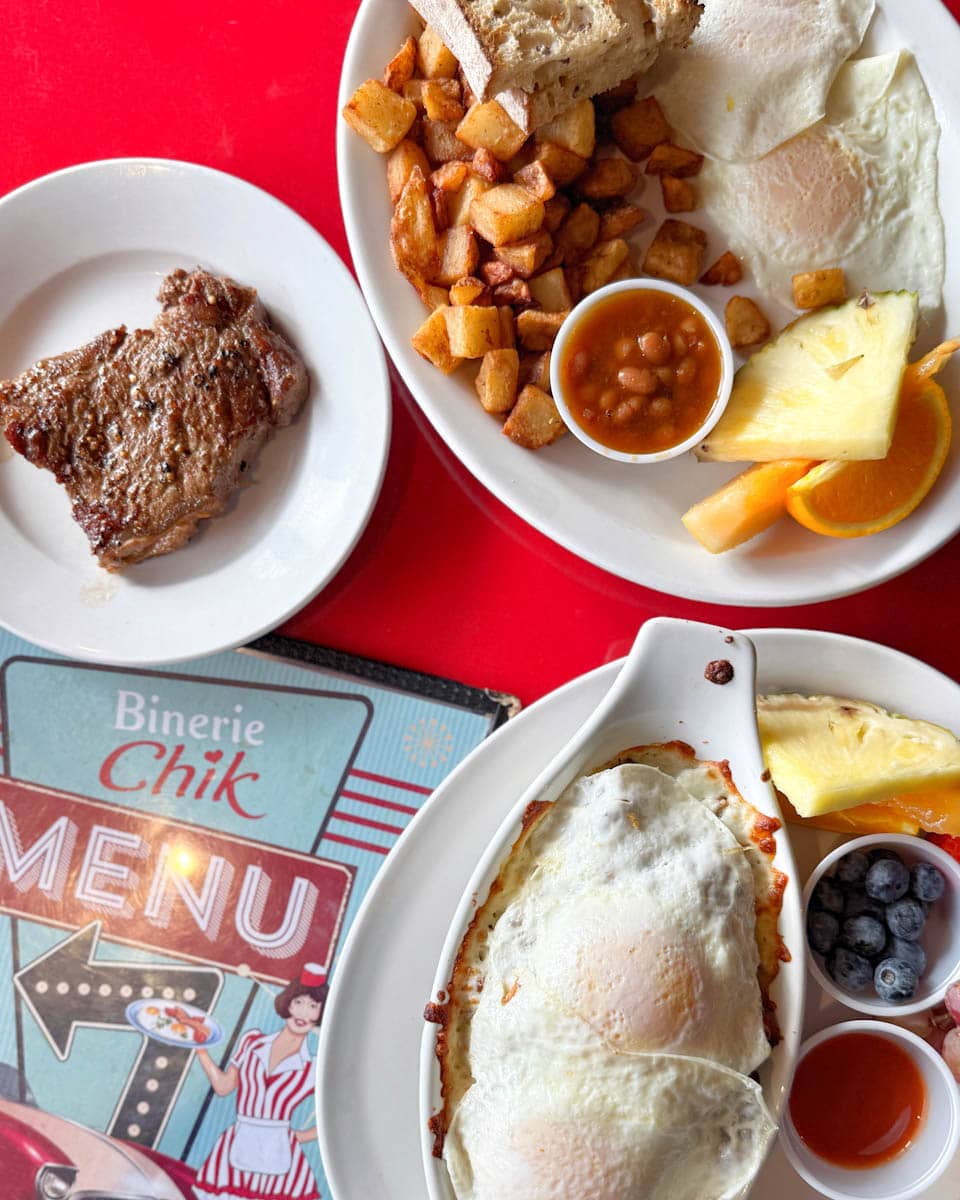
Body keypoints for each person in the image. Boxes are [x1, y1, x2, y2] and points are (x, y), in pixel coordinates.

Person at [192, 964, 326, 1200]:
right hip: (237, 1147)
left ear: (320, 1014)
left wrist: (302, 1136)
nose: (303, 1013)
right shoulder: (252, 1041)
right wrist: (201, 1050)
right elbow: (223, 1087)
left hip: (279, 1154)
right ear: (288, 1004)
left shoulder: (313, 1067)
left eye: (313, 1006)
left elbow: (339, 1117)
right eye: (299, 1002)